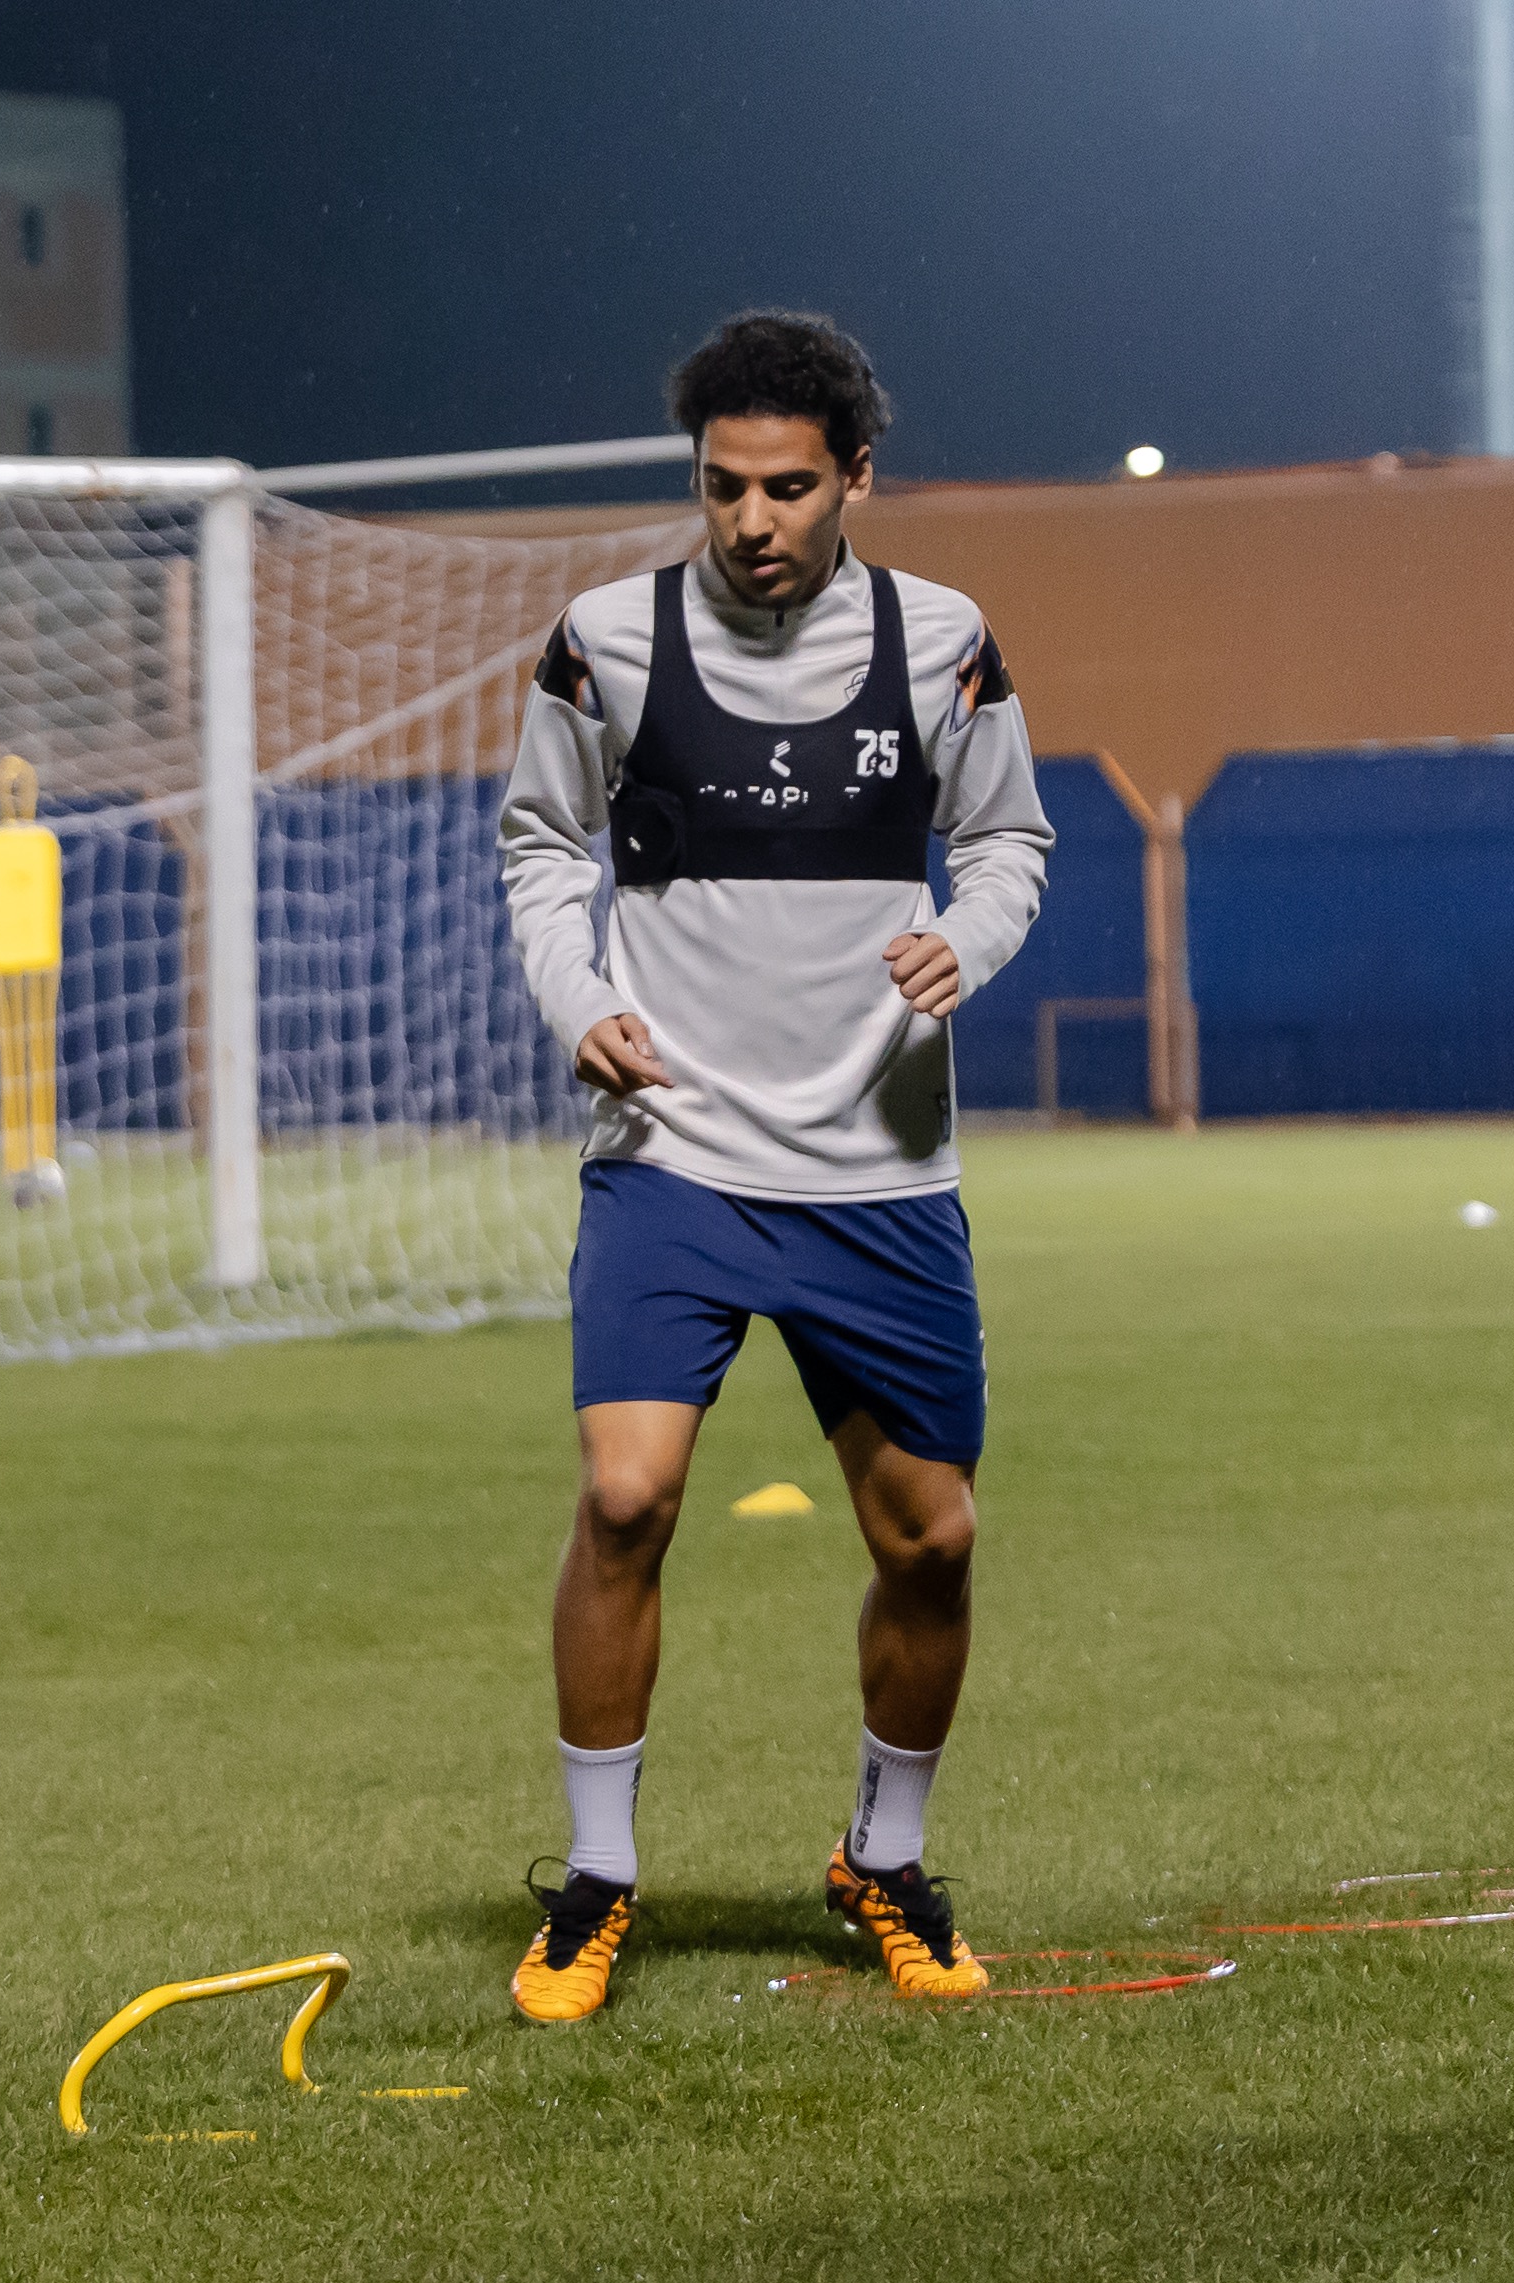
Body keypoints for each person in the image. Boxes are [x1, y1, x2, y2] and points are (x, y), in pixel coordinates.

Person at [493, 310, 1054, 2019]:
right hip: (673, 1152)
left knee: (933, 1538)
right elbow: (536, 842)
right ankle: (594, 1882)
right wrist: (578, 996)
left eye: (788, 488)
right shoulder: (607, 641)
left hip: (878, 1166)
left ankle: (881, 1859)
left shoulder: (943, 641)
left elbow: (1012, 838)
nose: (750, 520)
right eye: (724, 486)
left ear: (855, 481)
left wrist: (969, 935)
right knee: (623, 1495)